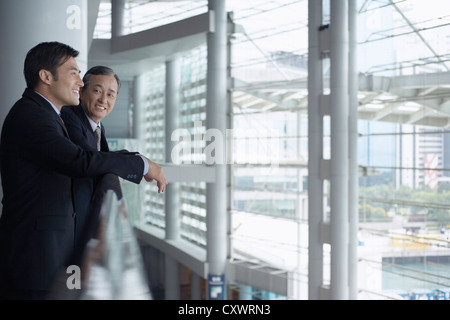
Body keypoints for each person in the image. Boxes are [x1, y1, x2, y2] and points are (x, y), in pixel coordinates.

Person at [0, 41, 167, 300]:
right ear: (45, 76)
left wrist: (137, 161)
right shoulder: (32, 116)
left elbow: (87, 159)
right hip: (34, 259)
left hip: (46, 255)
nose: (80, 82)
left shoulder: (47, 115)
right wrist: (141, 164)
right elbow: (80, 161)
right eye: (74, 73)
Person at [60, 66, 124, 245]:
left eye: (111, 94)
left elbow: (101, 158)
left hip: (81, 221)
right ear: (81, 91)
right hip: (64, 224)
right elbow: (89, 160)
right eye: (97, 91)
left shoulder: (98, 127)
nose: (103, 99)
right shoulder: (69, 117)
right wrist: (140, 165)